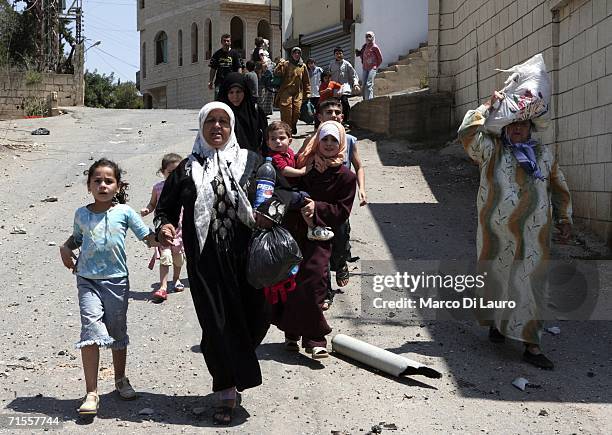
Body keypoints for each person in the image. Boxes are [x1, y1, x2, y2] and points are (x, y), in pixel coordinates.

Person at [154, 102, 291, 425]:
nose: (217, 127)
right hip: (206, 262)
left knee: (256, 318)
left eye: (223, 122)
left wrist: (272, 213)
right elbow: (166, 208)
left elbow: (281, 194)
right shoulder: (186, 169)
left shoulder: (252, 162)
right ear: (201, 127)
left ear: (231, 128)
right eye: (211, 122)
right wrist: (164, 226)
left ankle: (235, 360)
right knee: (216, 325)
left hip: (248, 257)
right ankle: (225, 389)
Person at [458, 91, 573, 370]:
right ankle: (499, 326)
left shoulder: (543, 154)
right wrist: (488, 104)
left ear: (531, 128)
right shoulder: (490, 149)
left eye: (524, 123)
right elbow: (467, 132)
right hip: (495, 236)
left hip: (534, 237)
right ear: (504, 126)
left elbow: (558, 187)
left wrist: (564, 219)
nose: (518, 128)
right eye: (513, 123)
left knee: (531, 284)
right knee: (496, 277)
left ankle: (532, 346)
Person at [59, 158, 157, 415]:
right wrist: (65, 247)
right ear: (89, 185)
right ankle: (91, 393)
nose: (102, 185)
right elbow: (77, 238)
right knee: (90, 328)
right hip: (87, 279)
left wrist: (164, 237)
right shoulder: (81, 213)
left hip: (117, 281)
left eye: (108, 181)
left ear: (118, 186)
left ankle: (120, 379)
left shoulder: (124, 212)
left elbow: (147, 237)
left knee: (116, 331)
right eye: (97, 181)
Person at [273, 121, 357, 358]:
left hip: (321, 236)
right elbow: (284, 190)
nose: (329, 144)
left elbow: (342, 212)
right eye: (325, 139)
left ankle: (314, 338)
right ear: (317, 141)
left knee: (314, 283)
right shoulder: (302, 166)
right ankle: (291, 333)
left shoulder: (346, 177)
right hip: (294, 233)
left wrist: (316, 207)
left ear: (341, 143)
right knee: (291, 282)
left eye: (334, 140)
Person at [299, 98, 367, 309]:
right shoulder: (313, 144)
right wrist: (310, 163)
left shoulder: (349, 145)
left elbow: (358, 166)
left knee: (339, 244)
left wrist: (361, 189)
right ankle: (325, 292)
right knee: (321, 254)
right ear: (319, 117)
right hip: (315, 208)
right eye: (329, 112)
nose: (335, 115)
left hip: (338, 204)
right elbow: (299, 163)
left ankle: (341, 263)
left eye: (338, 112)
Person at [266, 120, 333, 241]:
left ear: (290, 141)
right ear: (268, 143)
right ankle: (313, 228)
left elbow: (298, 158)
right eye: (273, 139)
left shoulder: (289, 153)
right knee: (306, 198)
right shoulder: (274, 156)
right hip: (282, 192)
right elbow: (284, 170)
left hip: (292, 188)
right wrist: (302, 171)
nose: (277, 142)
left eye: (281, 138)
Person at [141, 153, 185, 302]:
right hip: (163, 230)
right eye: (170, 173)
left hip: (179, 230)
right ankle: (163, 287)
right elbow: (152, 204)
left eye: (178, 172)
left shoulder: (185, 188)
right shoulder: (158, 188)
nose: (174, 176)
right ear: (163, 172)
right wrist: (147, 210)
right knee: (165, 257)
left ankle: (176, 279)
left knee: (178, 258)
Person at [217, 72, 268, 154]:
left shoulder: (255, 112)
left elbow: (266, 139)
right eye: (231, 92)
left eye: (238, 92)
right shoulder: (219, 113)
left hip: (252, 160)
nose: (235, 96)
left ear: (245, 92)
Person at [274, 47, 311, 135]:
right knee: (287, 112)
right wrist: (280, 64)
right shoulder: (286, 64)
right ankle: (287, 131)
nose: (297, 55)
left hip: (298, 92)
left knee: (297, 112)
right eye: (295, 53)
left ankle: (293, 125)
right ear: (292, 54)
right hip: (286, 92)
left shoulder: (303, 66)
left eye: (298, 53)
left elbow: (306, 81)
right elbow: (277, 73)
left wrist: (308, 92)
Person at [328, 46, 359, 123]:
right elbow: (328, 75)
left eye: (340, 53)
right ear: (334, 55)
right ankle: (335, 120)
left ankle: (346, 120)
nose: (338, 55)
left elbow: (353, 75)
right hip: (335, 88)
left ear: (343, 54)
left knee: (345, 102)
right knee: (335, 105)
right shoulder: (331, 64)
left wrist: (355, 83)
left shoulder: (347, 64)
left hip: (344, 87)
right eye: (337, 53)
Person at [208, 34, 242, 98]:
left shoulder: (235, 53)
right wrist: (210, 81)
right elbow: (213, 68)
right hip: (220, 82)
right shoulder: (217, 54)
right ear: (221, 42)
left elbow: (239, 67)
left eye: (228, 41)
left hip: (232, 82)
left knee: (231, 100)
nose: (226, 43)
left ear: (230, 42)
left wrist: (239, 80)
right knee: (219, 100)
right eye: (224, 41)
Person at [356, 31, 383, 100]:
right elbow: (362, 54)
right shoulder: (364, 46)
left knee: (369, 83)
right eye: (367, 36)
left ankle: (370, 100)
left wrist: (375, 66)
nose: (368, 38)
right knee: (364, 84)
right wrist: (359, 53)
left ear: (373, 37)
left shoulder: (375, 47)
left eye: (369, 36)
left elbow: (380, 58)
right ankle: (365, 99)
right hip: (365, 68)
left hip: (372, 68)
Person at [306, 58, 324, 128]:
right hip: (310, 94)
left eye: (311, 63)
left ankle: (317, 124)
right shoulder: (307, 71)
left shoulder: (319, 70)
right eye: (309, 63)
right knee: (311, 109)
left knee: (318, 109)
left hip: (318, 93)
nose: (310, 65)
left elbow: (323, 79)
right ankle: (315, 121)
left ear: (314, 63)